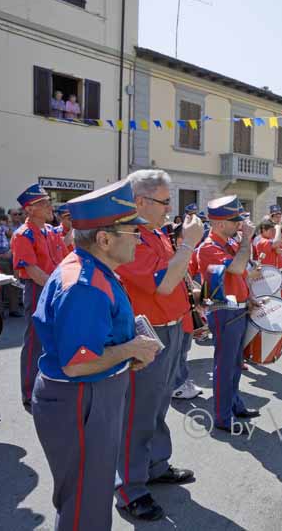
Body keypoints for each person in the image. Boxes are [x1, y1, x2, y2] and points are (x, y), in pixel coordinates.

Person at [31, 179, 161, 531]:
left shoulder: (96, 270)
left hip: (91, 396)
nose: (140, 238)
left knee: (94, 492)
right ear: (104, 239)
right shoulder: (85, 285)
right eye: (133, 232)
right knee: (85, 503)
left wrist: (127, 341)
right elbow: (78, 363)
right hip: (81, 398)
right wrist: (132, 349)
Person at [113, 170, 202, 520]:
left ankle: (155, 465)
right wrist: (188, 244)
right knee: (137, 412)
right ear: (140, 202)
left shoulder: (154, 234)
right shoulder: (129, 236)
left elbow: (175, 277)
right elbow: (163, 284)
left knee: (160, 404)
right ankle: (130, 488)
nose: (170, 209)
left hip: (173, 327)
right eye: (165, 201)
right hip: (149, 333)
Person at [197, 196, 260, 432]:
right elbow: (236, 267)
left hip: (238, 310)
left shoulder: (231, 243)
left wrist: (249, 297)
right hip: (224, 313)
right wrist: (247, 240)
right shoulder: (208, 248)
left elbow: (240, 275)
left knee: (235, 364)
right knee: (224, 367)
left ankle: (235, 404)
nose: (240, 225)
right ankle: (223, 418)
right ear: (220, 224)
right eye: (235, 221)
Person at [11, 184, 66, 408]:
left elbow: (63, 260)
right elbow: (33, 271)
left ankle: (50, 385)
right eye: (43, 203)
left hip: (54, 287)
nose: (49, 206)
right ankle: (29, 393)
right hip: (38, 290)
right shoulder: (23, 234)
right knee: (35, 342)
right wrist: (57, 289)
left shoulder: (50, 232)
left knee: (55, 339)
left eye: (48, 201)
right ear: (30, 209)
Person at [0, 207, 21, 317]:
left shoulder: (3, 227)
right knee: (4, 284)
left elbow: (12, 237)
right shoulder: (2, 227)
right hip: (0, 257)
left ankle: (5, 310)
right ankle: (5, 310)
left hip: (3, 257)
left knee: (3, 284)